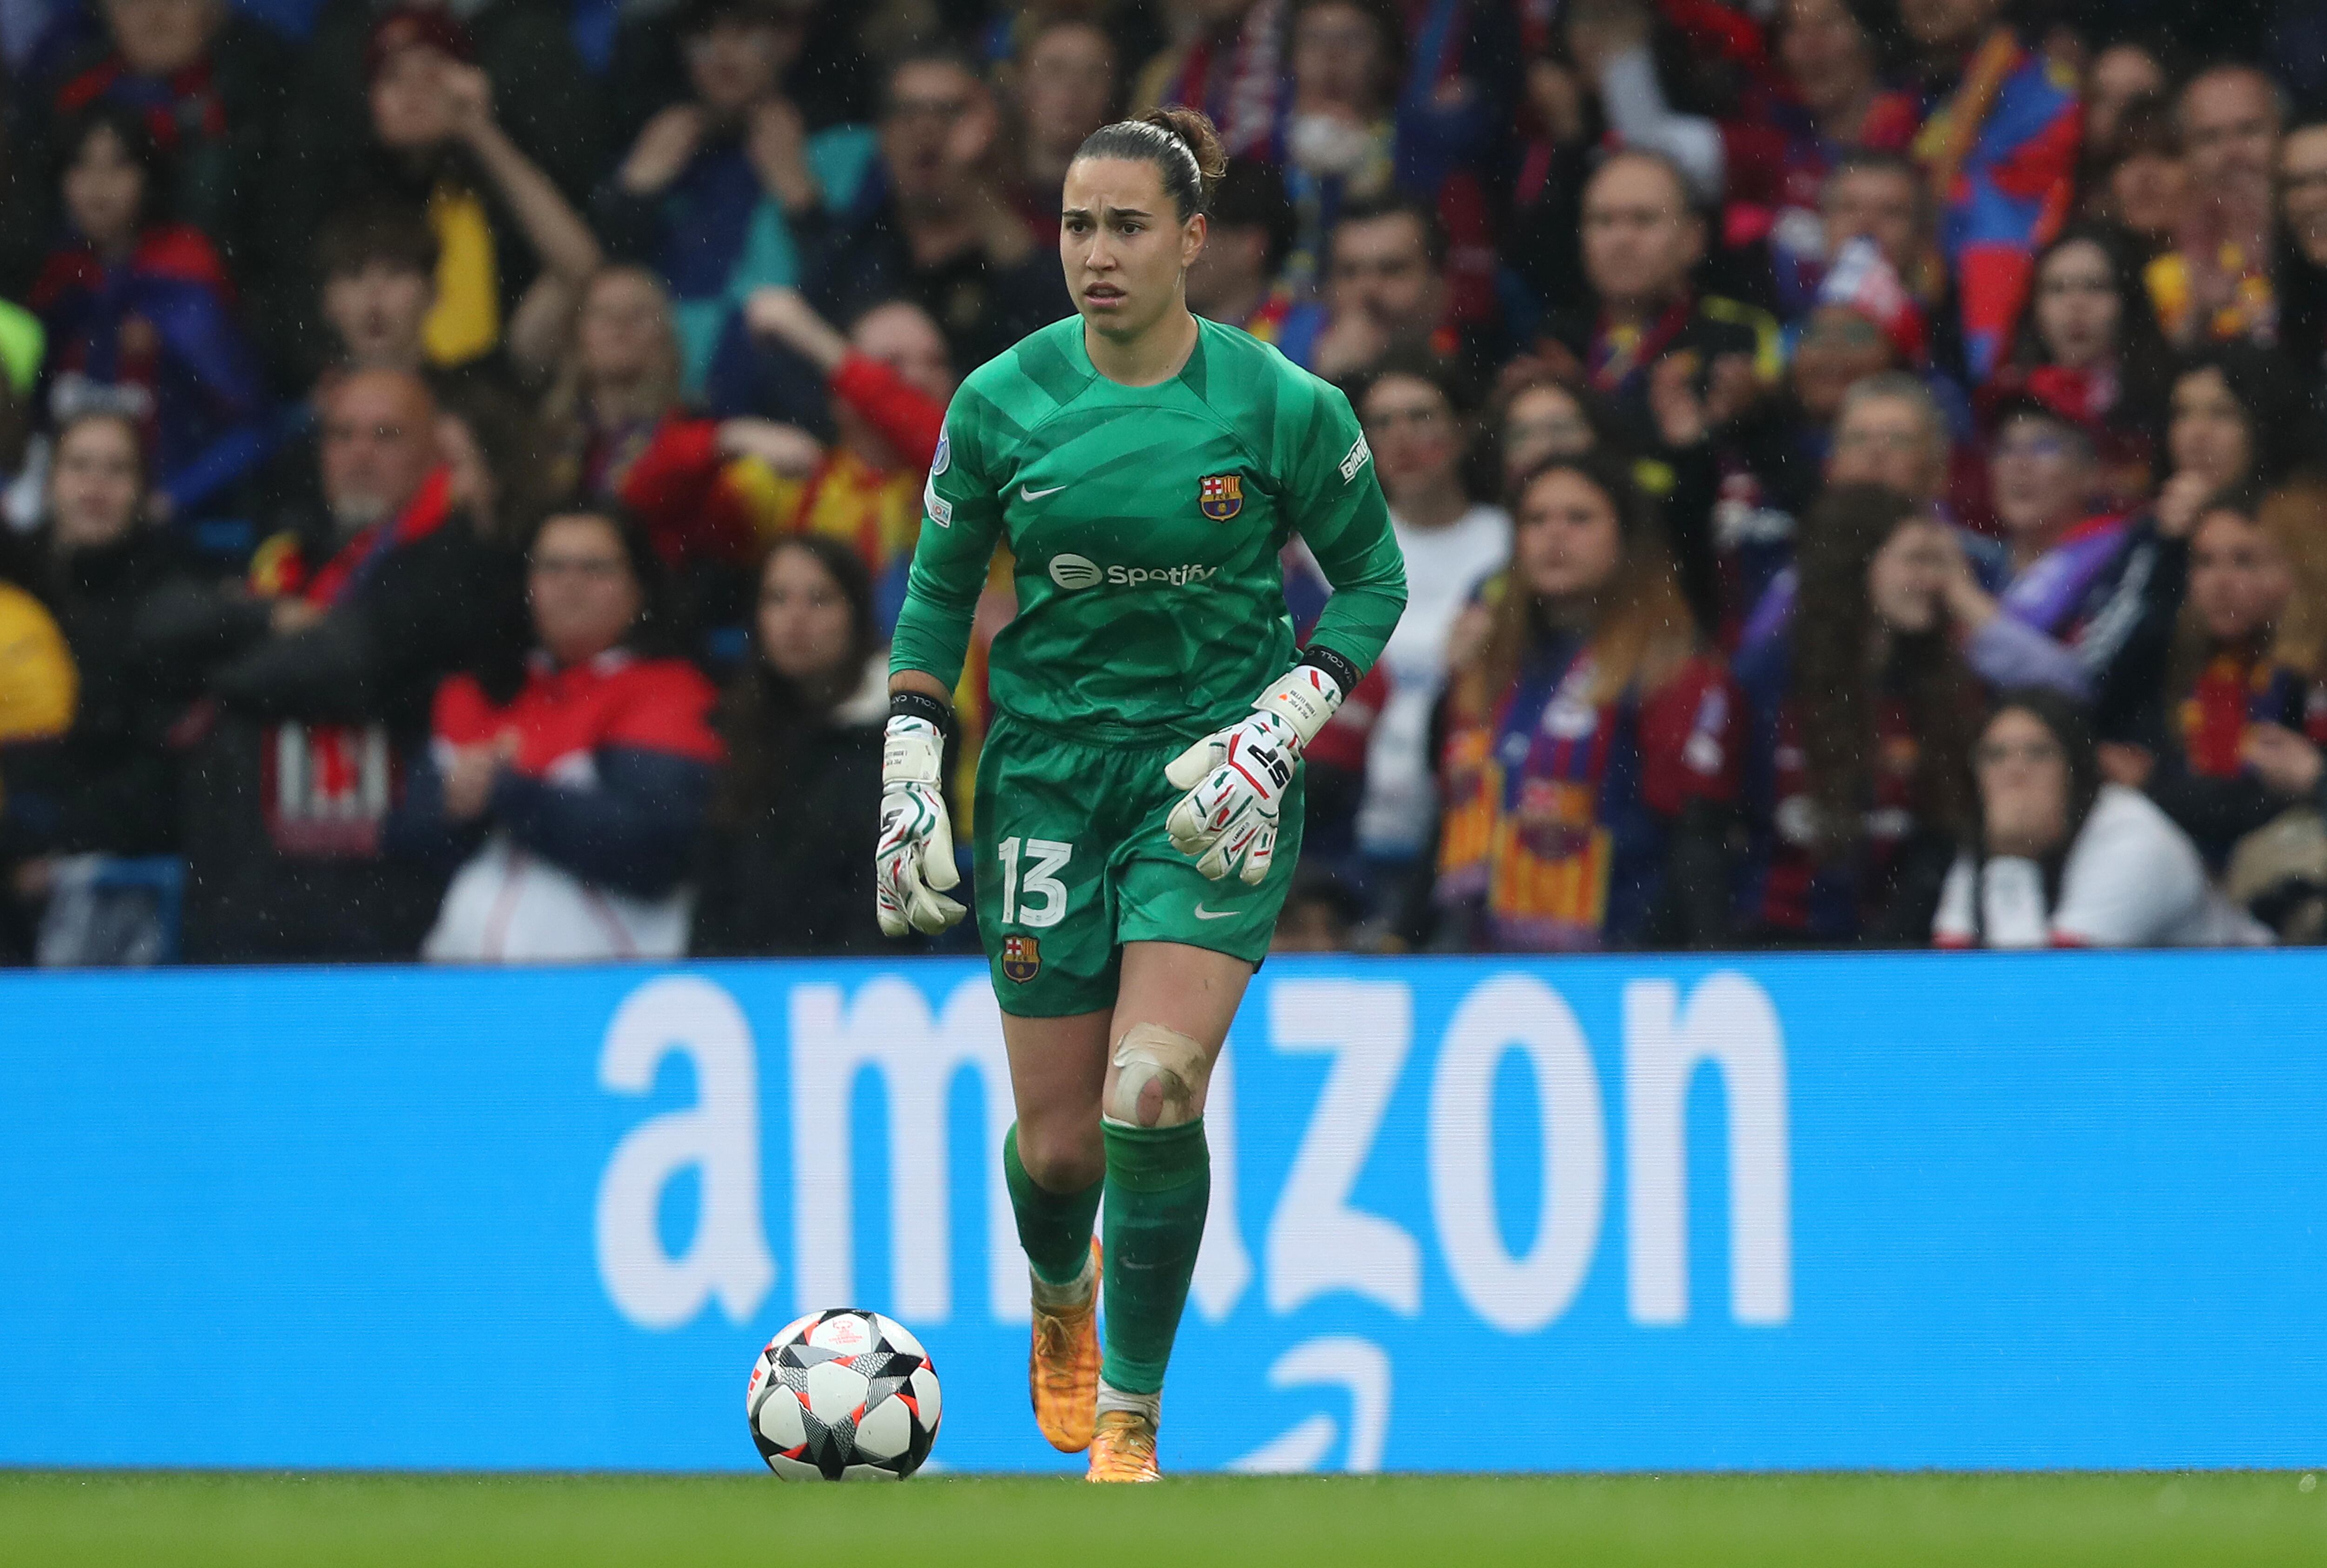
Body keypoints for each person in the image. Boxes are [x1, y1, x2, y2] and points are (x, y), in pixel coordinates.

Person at [879, 107, 1405, 1480]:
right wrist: (908, 765)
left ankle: (1130, 1416)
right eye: (1074, 226)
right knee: (1059, 1152)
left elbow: (1373, 581)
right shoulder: (999, 401)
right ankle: (1060, 1289)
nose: (1094, 255)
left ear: (1190, 240)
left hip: (1208, 781)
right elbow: (939, 593)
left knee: (1153, 1090)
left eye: (1123, 228)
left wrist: (1287, 716)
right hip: (1046, 779)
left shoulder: (1281, 405)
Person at [147, 368, 507, 961]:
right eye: (342, 436)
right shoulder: (295, 546)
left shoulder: (455, 558)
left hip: (384, 898)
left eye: (386, 435)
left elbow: (352, 660)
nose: (359, 454)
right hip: (249, 893)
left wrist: (220, 679)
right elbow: (159, 627)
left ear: (432, 452)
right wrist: (269, 622)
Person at [1435, 449, 1737, 950]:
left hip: (1619, 958)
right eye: (1535, 520)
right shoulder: (1491, 663)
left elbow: (1690, 846)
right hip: (1482, 962)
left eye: (1579, 519)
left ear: (1625, 539)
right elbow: (1448, 809)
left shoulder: (1670, 671)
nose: (1554, 534)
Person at [390, 505, 720, 963]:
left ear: (639, 588)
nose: (570, 584)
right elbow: (408, 840)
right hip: (463, 985)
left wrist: (510, 793)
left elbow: (657, 851)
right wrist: (453, 804)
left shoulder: (672, 691)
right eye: (552, 567)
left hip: (612, 989)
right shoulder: (479, 689)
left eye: (595, 569)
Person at [1736, 483, 1981, 944]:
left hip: (1892, 959)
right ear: (1856, 563)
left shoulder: (1940, 686)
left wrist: (1878, 955)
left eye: (1938, 563)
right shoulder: (1769, 679)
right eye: (1915, 560)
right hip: (1769, 952)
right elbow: (1720, 830)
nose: (1934, 581)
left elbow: (1936, 845)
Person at [0, 409, 198, 953]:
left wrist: (51, 844)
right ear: (49, 480)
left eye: (118, 469)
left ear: (142, 491)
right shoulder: (13, 583)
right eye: (80, 466)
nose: (96, 485)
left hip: (107, 861)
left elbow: (160, 780)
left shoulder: (171, 600)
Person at [30, 103, 268, 524]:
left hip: (171, 527)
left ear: (149, 177)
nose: (98, 186)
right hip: (59, 520)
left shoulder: (185, 279)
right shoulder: (55, 282)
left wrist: (173, 498)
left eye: (119, 165)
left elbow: (251, 425)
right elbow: (26, 415)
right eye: (80, 166)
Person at [591, 0, 823, 393]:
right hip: (656, 408)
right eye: (703, 32)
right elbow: (595, 287)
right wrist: (633, 196)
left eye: (747, 28)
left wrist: (803, 201)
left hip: (784, 402)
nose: (723, 51)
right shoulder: (654, 153)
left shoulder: (842, 154)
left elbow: (852, 292)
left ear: (790, 39)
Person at [1934, 688, 2264, 947]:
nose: (2014, 772)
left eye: (2038, 753)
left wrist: (2013, 860)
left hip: (2256, 1012)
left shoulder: (2134, 838)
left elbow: (2047, 999)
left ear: (2076, 771)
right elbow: (1951, 970)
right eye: (1995, 755)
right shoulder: (1992, 834)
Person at [1349, 350, 1505, 885]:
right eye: (1382, 422)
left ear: (1464, 429)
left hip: (1471, 825)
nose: (1400, 438)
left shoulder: (1512, 545)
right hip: (1346, 823)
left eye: (1421, 417)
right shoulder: (1328, 553)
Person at [691, 534, 888, 956]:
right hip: (742, 989)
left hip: (864, 991)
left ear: (857, 613)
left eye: (819, 599)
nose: (795, 619)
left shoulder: (903, 733)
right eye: (777, 599)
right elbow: (717, 893)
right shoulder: (732, 727)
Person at [1537, 150, 1778, 462]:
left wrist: (1753, 411)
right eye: (1603, 221)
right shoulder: (1555, 335)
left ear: (1693, 238)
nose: (1621, 239)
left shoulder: (1740, 333)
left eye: (1643, 219)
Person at [738, 288, 953, 627]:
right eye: (890, 365)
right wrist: (728, 437)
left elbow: (936, 438)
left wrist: (810, 337)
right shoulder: (794, 479)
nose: (919, 377)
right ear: (837, 393)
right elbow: (648, 502)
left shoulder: (983, 471)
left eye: (936, 362)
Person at [1898, 0, 2081, 381]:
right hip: (1926, 315)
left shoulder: (2045, 91)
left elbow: (2018, 214)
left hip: (2004, 318)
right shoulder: (1899, 92)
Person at [1997, 225, 2174, 507]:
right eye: (2057, 289)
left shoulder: (2166, 401)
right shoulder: (2003, 399)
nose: (2075, 305)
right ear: (2035, 307)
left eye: (2095, 287)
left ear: (2127, 302)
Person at [2148, 64, 2285, 348]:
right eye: (2209, 138)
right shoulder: (2159, 273)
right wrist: (2198, 320)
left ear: (2282, 136)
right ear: (2184, 154)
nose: (2232, 152)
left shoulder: (2317, 248)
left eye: (2249, 130)